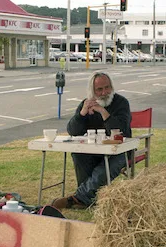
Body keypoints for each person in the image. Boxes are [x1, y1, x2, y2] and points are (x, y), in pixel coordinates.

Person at [51, 71, 132, 210]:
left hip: (120, 150)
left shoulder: (121, 102)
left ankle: (78, 198)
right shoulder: (86, 103)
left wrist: (102, 111)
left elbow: (122, 130)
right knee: (78, 153)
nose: (104, 92)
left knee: (108, 163)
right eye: (99, 89)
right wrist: (82, 113)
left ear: (111, 87)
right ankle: (87, 199)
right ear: (92, 91)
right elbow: (73, 131)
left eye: (107, 87)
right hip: (93, 150)